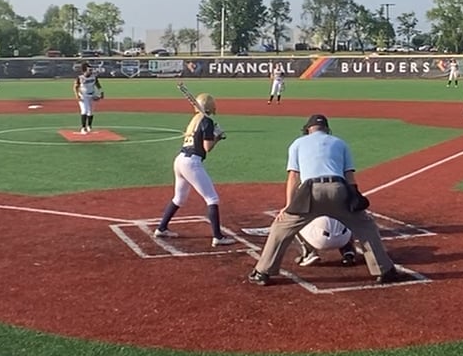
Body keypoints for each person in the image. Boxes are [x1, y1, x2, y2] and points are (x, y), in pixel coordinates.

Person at [248, 114, 403, 286]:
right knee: (366, 227)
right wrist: (354, 200)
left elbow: (293, 177)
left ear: (308, 129)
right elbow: (349, 176)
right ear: (327, 129)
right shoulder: (340, 143)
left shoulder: (297, 143)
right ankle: (385, 270)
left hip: (309, 191)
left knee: (281, 228)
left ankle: (262, 272)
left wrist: (288, 205)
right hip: (338, 189)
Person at [151, 91, 235, 246]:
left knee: (179, 198)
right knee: (212, 198)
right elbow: (207, 147)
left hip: (180, 160)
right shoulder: (206, 121)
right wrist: (217, 137)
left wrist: (214, 134)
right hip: (191, 163)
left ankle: (161, 228)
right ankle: (218, 237)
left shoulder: (195, 120)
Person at [295, 216, 360, 268]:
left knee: (293, 222)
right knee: (348, 216)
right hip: (344, 239)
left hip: (320, 241)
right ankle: (348, 251)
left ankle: (309, 253)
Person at [73, 61, 103, 134]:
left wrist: (101, 93)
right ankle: (83, 128)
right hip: (83, 96)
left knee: (91, 111)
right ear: (85, 70)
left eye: (91, 70)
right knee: (84, 111)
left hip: (91, 95)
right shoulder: (80, 78)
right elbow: (75, 87)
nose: (91, 71)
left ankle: (89, 126)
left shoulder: (94, 77)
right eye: (89, 70)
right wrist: (77, 95)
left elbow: (98, 85)